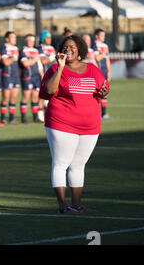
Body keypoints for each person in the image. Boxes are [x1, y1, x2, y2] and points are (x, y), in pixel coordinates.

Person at [39, 34, 110, 215]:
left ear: (80, 50)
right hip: (61, 123)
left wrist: (104, 91)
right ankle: (63, 207)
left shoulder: (92, 69)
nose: (68, 50)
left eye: (72, 47)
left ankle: (77, 206)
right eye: (65, 47)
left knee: (79, 165)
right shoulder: (55, 68)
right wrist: (60, 68)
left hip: (90, 125)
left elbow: (103, 90)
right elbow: (48, 91)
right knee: (61, 163)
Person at [19, 34, 43, 123]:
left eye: (32, 40)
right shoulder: (23, 51)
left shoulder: (36, 50)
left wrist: (42, 74)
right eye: (29, 40)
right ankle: (23, 117)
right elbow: (25, 63)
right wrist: (34, 59)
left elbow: (39, 64)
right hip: (27, 76)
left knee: (35, 98)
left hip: (36, 77)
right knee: (26, 96)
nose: (30, 42)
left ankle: (35, 117)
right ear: (26, 41)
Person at [0, 31, 20, 125]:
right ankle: (3, 118)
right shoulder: (4, 48)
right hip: (7, 76)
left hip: (15, 76)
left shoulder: (16, 48)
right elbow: (6, 62)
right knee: (5, 98)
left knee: (14, 98)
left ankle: (12, 119)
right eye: (13, 37)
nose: (15, 39)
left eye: (15, 37)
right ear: (7, 39)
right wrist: (13, 57)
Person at [92, 28, 112, 119]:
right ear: (97, 36)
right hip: (97, 72)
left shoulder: (105, 45)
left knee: (105, 92)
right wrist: (104, 52)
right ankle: (95, 113)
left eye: (104, 35)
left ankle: (104, 114)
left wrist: (109, 71)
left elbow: (107, 59)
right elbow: (97, 59)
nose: (104, 37)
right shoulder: (95, 45)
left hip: (104, 72)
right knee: (96, 92)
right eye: (102, 35)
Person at [37, 30, 56, 122]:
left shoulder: (52, 48)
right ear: (43, 39)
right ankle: (40, 116)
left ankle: (49, 114)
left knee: (52, 96)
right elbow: (43, 61)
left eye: (50, 37)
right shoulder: (40, 48)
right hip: (43, 75)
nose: (49, 39)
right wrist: (52, 57)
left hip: (53, 75)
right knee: (42, 96)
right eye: (47, 37)